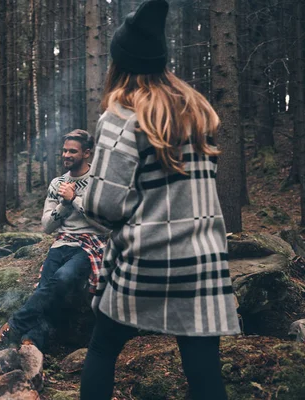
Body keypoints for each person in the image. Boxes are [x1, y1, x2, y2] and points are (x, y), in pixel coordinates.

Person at [79, 1, 240, 399]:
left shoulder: (123, 115)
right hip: (202, 261)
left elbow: (103, 207)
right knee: (203, 367)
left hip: (145, 262)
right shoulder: (197, 110)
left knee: (102, 347)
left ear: (120, 62)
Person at [0, 130, 108, 351]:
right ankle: (31, 343)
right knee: (46, 290)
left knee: (63, 279)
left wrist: (74, 200)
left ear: (86, 153)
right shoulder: (57, 183)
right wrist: (64, 204)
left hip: (90, 245)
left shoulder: (97, 182)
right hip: (62, 242)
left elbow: (105, 224)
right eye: (64, 150)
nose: (66, 155)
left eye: (72, 151)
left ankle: (13, 325)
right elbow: (46, 226)